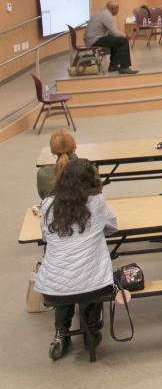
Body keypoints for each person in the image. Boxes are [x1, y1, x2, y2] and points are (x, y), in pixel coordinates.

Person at [35, 158, 117, 361]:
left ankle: (61, 333)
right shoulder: (96, 203)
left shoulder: (47, 205)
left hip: (53, 290)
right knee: (91, 275)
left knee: (65, 282)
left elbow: (46, 237)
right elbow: (113, 227)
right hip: (94, 286)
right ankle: (92, 329)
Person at [84, 0, 138, 74]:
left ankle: (113, 65)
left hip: (92, 39)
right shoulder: (106, 16)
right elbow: (115, 32)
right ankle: (125, 67)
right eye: (117, 9)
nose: (118, 11)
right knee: (123, 40)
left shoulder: (103, 13)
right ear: (113, 9)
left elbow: (111, 33)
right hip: (94, 40)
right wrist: (125, 36)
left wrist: (121, 35)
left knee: (116, 39)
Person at [37, 128, 78, 199]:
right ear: (75, 146)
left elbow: (43, 196)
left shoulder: (42, 174)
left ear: (52, 150)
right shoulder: (90, 169)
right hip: (83, 210)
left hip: (54, 210)